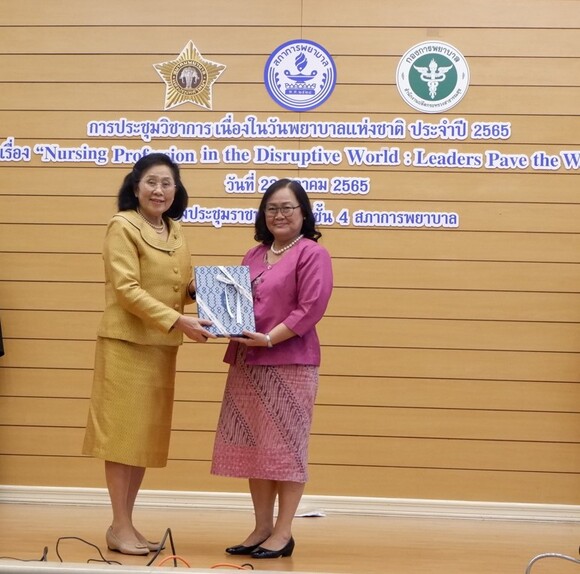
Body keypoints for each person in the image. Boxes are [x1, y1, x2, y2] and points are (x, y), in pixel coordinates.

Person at [82, 152, 215, 555]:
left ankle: (125, 524)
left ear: (177, 190)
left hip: (159, 349)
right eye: (152, 182)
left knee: (141, 439)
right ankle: (119, 525)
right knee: (122, 438)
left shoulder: (175, 230)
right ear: (136, 186)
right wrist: (178, 320)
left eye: (167, 183)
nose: (160, 190)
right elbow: (127, 289)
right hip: (126, 346)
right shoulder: (122, 226)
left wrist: (209, 290)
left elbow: (179, 285)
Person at [211, 178, 333, 559]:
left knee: (285, 449)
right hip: (248, 363)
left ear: (303, 213)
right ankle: (261, 527)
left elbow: (311, 308)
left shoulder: (312, 253)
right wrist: (211, 308)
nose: (279, 215)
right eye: (272, 208)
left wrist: (268, 338)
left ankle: (283, 532)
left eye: (287, 208)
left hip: (290, 362)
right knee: (255, 447)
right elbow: (235, 304)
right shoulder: (254, 254)